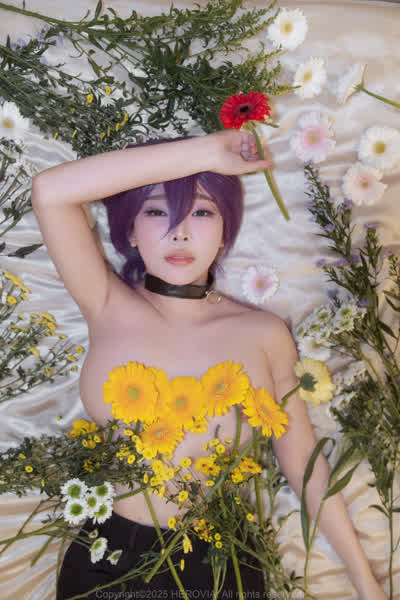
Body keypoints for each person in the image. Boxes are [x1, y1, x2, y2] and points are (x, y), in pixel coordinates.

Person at [31, 129, 387, 600]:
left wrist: (367, 584)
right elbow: (50, 191)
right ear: (130, 231)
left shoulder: (262, 334)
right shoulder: (106, 303)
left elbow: (304, 465)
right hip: (107, 559)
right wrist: (208, 154)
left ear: (225, 231)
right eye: (156, 211)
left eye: (202, 212)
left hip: (219, 565)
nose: (179, 232)